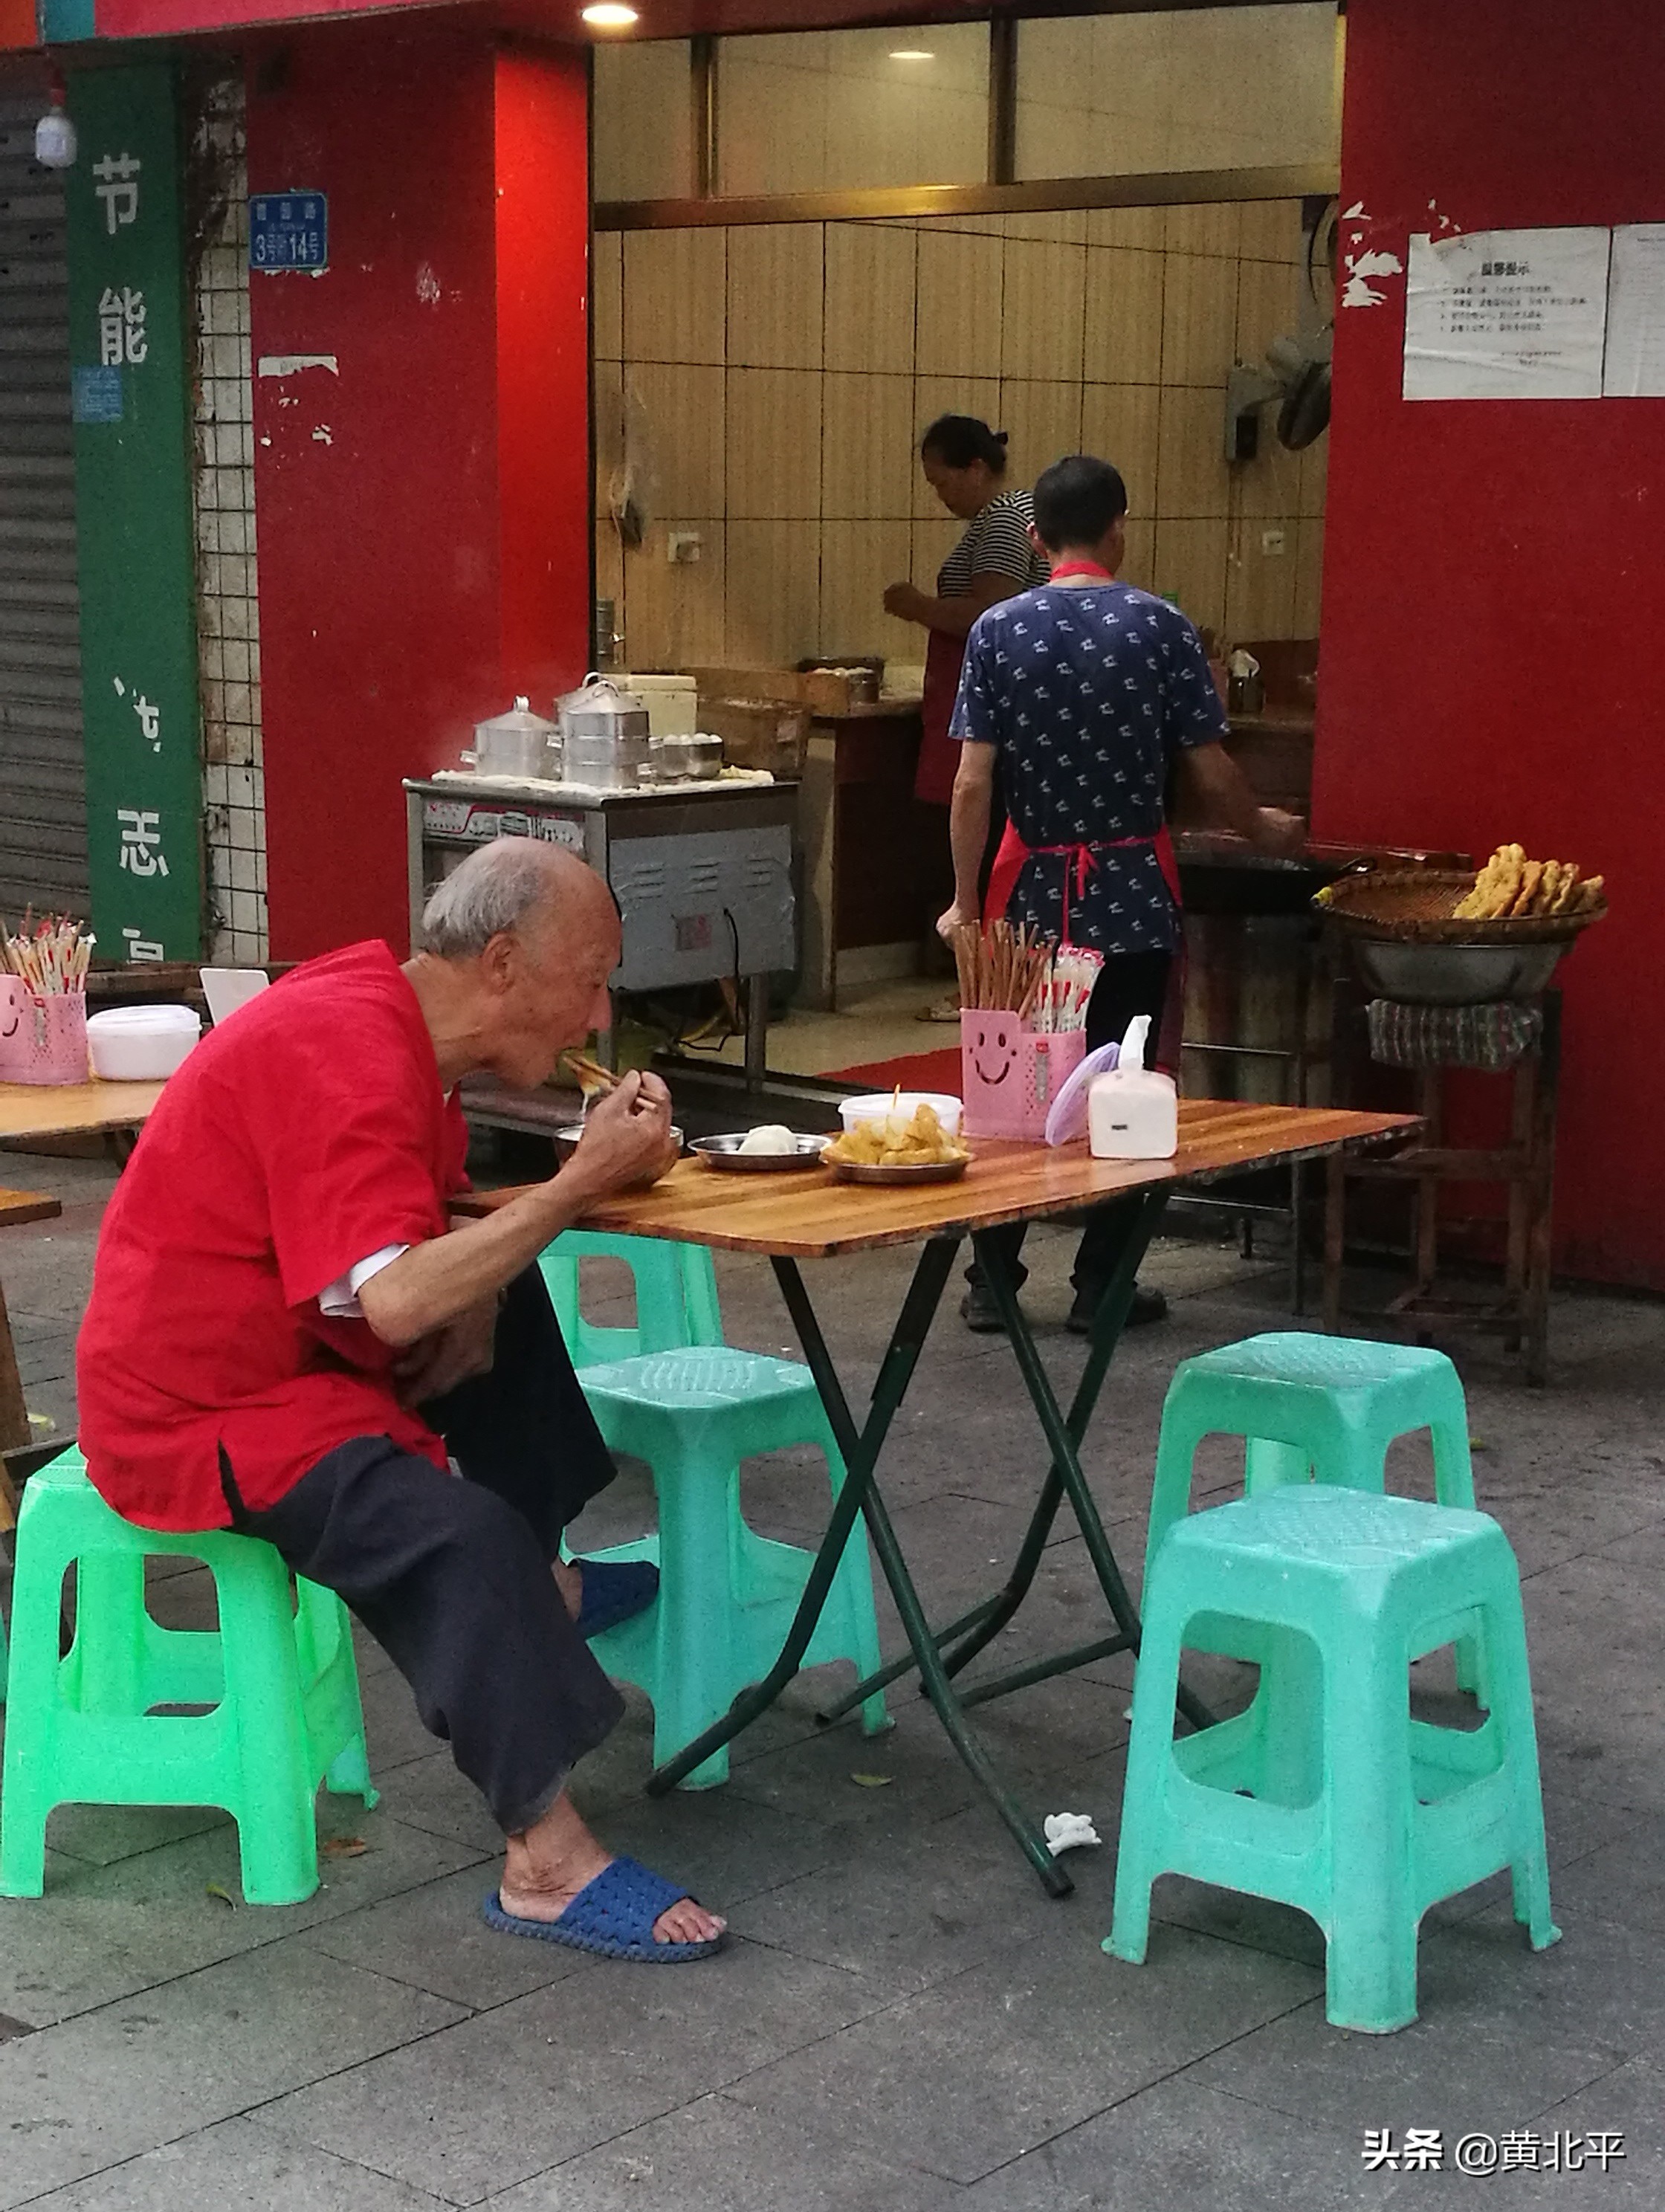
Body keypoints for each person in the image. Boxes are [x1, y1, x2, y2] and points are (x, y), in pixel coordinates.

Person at [75, 839, 728, 1962]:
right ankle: (545, 1859)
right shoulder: (344, 1043)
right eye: (591, 977)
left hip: (292, 1355)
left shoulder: (396, 1025)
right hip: (200, 1406)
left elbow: (401, 1246)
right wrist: (577, 1183)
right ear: (508, 964)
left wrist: (478, 1269)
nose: (598, 1013)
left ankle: (550, 1587)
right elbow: (389, 1305)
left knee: (504, 1299)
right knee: (455, 1537)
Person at [938, 453, 1304, 1336]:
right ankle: (1101, 1287)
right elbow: (1207, 768)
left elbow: (969, 785)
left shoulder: (995, 631)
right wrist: (1264, 830)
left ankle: (993, 1282)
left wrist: (963, 904)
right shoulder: (1160, 626)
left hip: (1026, 900)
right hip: (1132, 896)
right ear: (1118, 529)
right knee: (1128, 1086)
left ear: (1034, 539)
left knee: (1015, 1096)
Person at [883, 414, 1050, 1020]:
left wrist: (916, 606)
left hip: (995, 713)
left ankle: (986, 984)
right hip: (991, 703)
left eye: (942, 481)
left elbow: (989, 614)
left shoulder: (1007, 519)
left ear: (975, 468)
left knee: (987, 844)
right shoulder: (1004, 516)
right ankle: (989, 980)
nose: (941, 495)